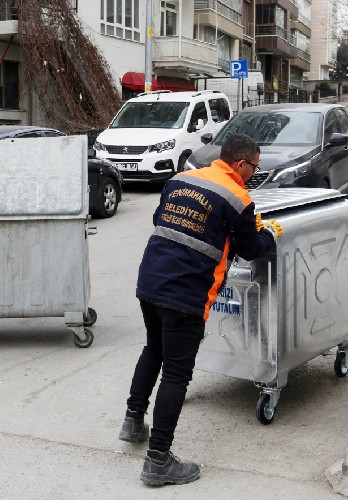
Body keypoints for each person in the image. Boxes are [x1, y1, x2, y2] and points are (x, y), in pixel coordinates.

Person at [119, 133, 283, 486]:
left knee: (154, 349)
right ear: (240, 163)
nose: (255, 173)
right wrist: (270, 234)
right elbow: (251, 249)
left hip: (150, 281)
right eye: (254, 166)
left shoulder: (181, 179)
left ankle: (133, 421)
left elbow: (159, 222)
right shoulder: (238, 198)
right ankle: (158, 460)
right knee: (177, 374)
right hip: (186, 294)